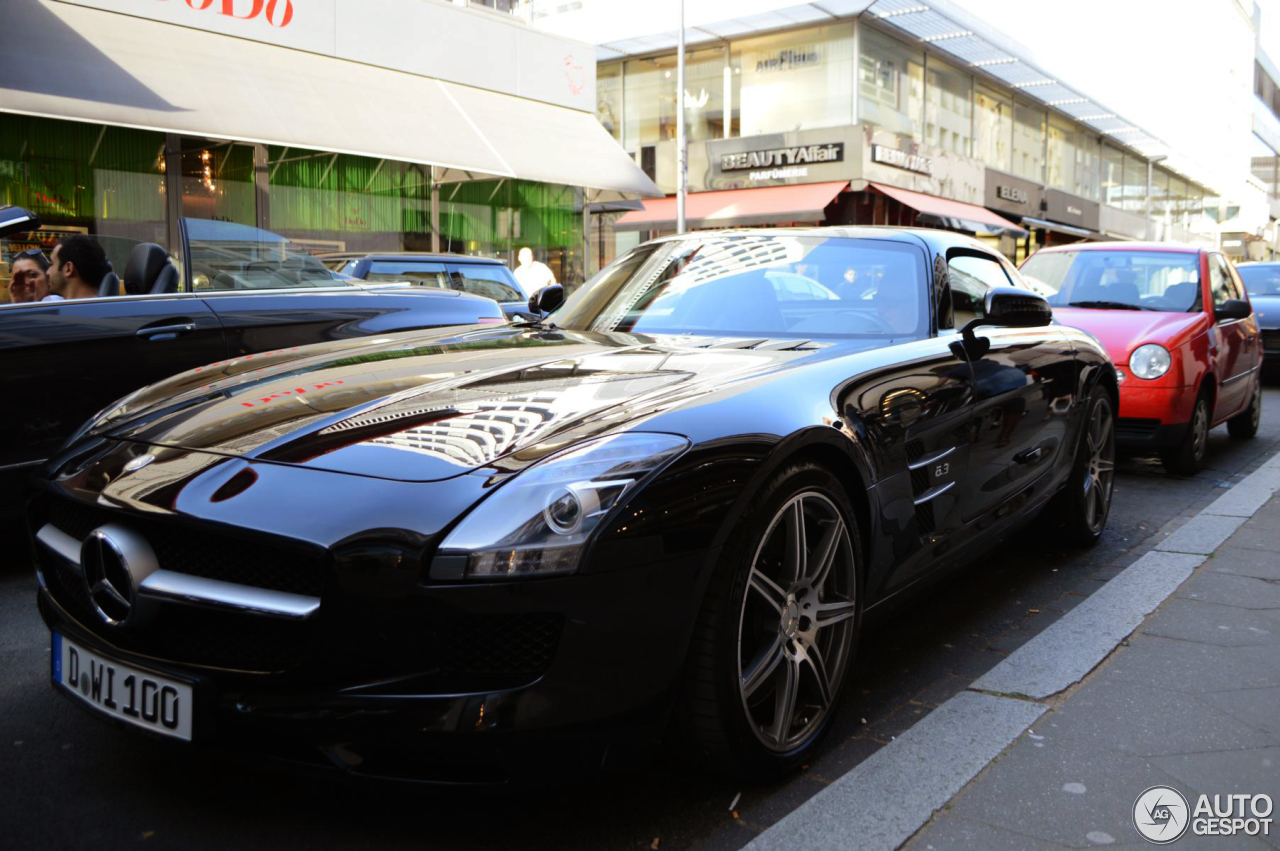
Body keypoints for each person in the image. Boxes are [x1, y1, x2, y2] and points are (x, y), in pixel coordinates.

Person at [48, 234, 110, 301]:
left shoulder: (57, 309)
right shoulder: (109, 309)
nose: (47, 272)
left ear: (68, 269)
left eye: (52, 264)